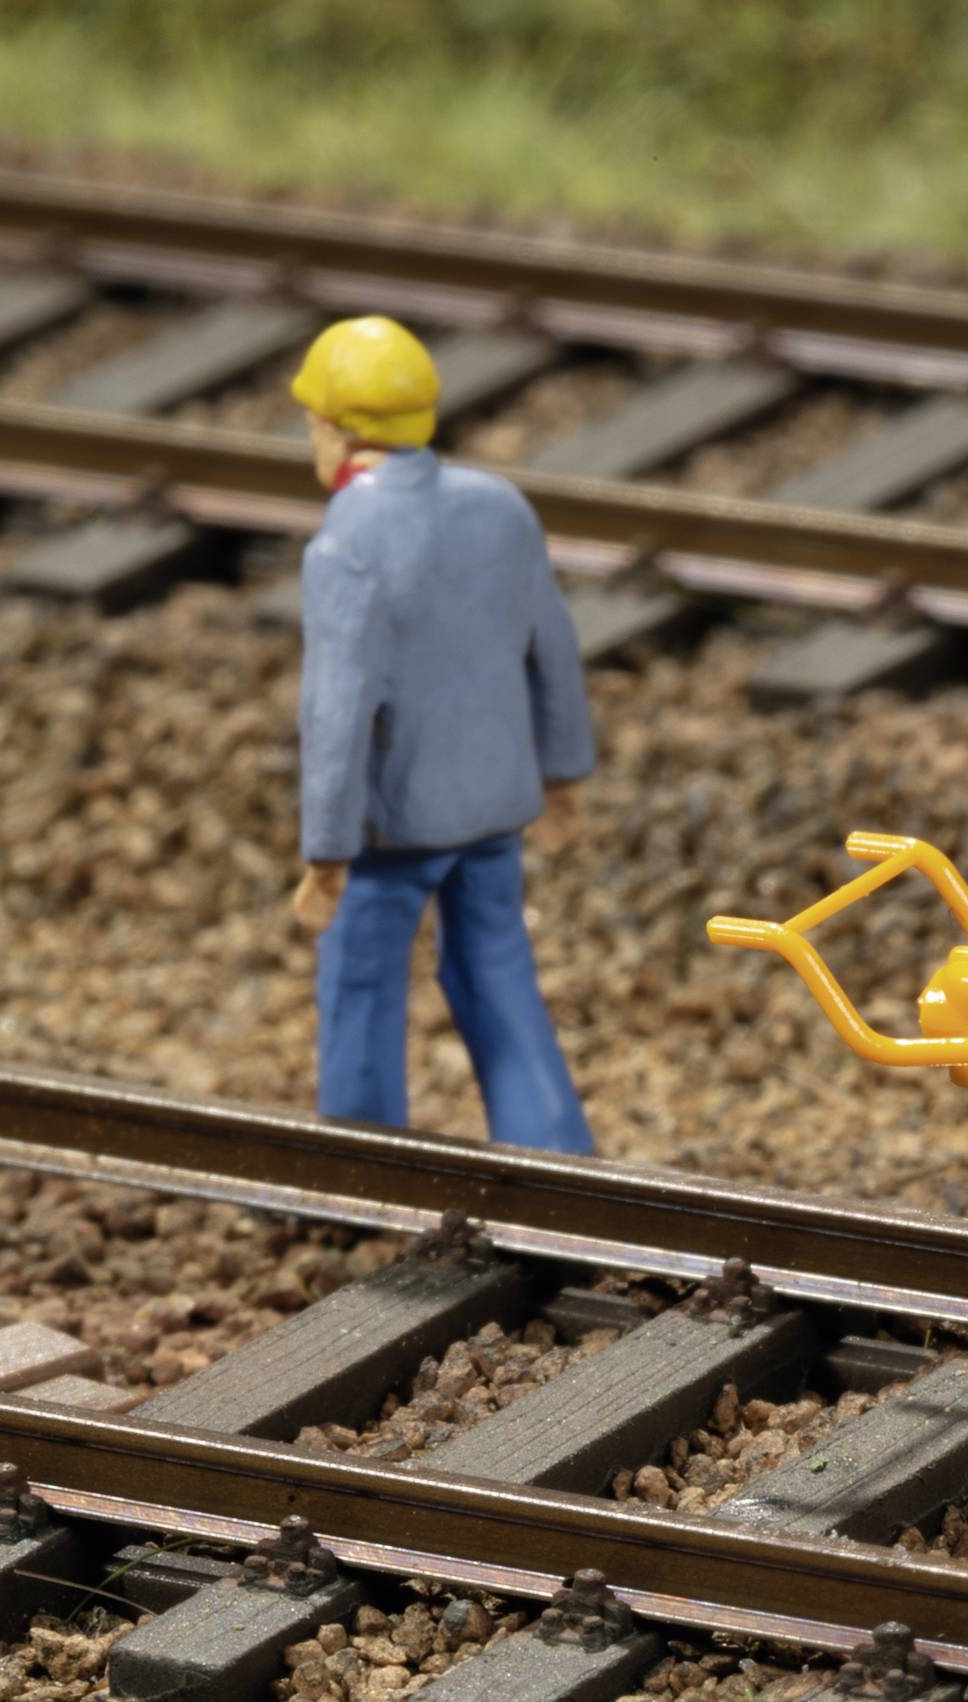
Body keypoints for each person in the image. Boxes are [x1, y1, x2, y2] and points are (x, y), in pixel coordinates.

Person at [286, 315, 596, 1153]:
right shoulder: (499, 506)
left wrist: (326, 853)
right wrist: (565, 776)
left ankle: (364, 1161)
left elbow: (339, 711)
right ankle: (555, 1152)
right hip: (497, 809)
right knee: (497, 973)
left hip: (398, 830)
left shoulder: (346, 542)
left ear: (337, 430)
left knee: (361, 981)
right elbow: (554, 646)